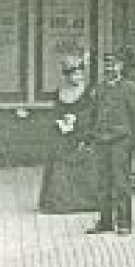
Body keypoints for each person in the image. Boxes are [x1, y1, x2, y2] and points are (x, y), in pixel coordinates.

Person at [87, 51, 135, 235]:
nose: (110, 68)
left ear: (121, 67)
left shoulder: (130, 88)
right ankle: (105, 222)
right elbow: (93, 115)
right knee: (102, 182)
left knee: (120, 182)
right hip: (101, 140)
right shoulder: (100, 88)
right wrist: (90, 137)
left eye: (114, 65)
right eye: (107, 65)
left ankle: (124, 223)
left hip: (121, 140)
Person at [38, 54, 98, 214]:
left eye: (79, 73)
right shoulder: (60, 92)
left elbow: (93, 113)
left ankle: (87, 201)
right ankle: (60, 202)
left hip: (84, 133)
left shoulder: (89, 92)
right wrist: (60, 121)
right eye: (72, 74)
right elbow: (56, 111)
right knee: (59, 163)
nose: (76, 77)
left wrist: (80, 124)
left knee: (85, 162)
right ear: (66, 75)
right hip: (63, 133)